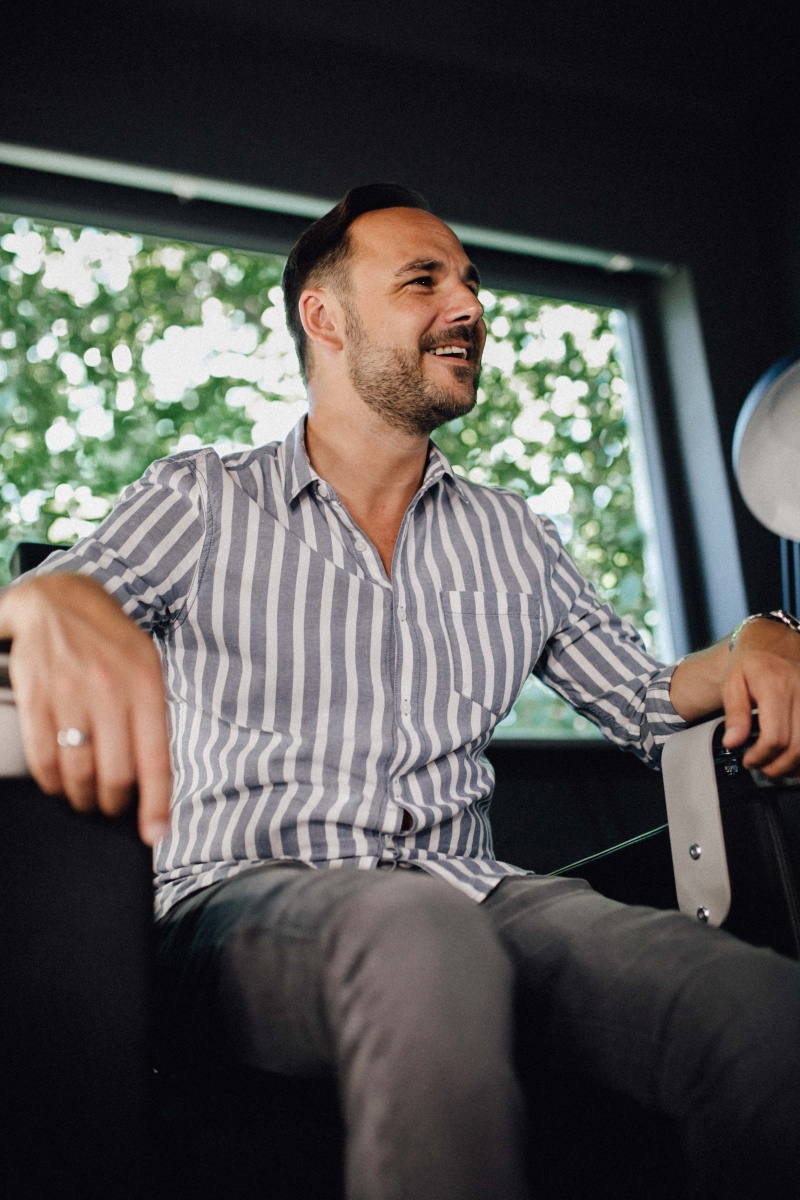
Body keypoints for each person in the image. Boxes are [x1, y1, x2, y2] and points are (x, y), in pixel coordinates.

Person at [1, 183, 799, 1199]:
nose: (468, 306)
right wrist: (49, 595)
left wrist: (761, 636)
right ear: (325, 318)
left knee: (758, 1010)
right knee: (418, 937)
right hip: (240, 904)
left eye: (469, 283)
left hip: (477, 892)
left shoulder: (513, 535)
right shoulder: (202, 497)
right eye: (423, 281)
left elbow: (646, 705)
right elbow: (41, 611)